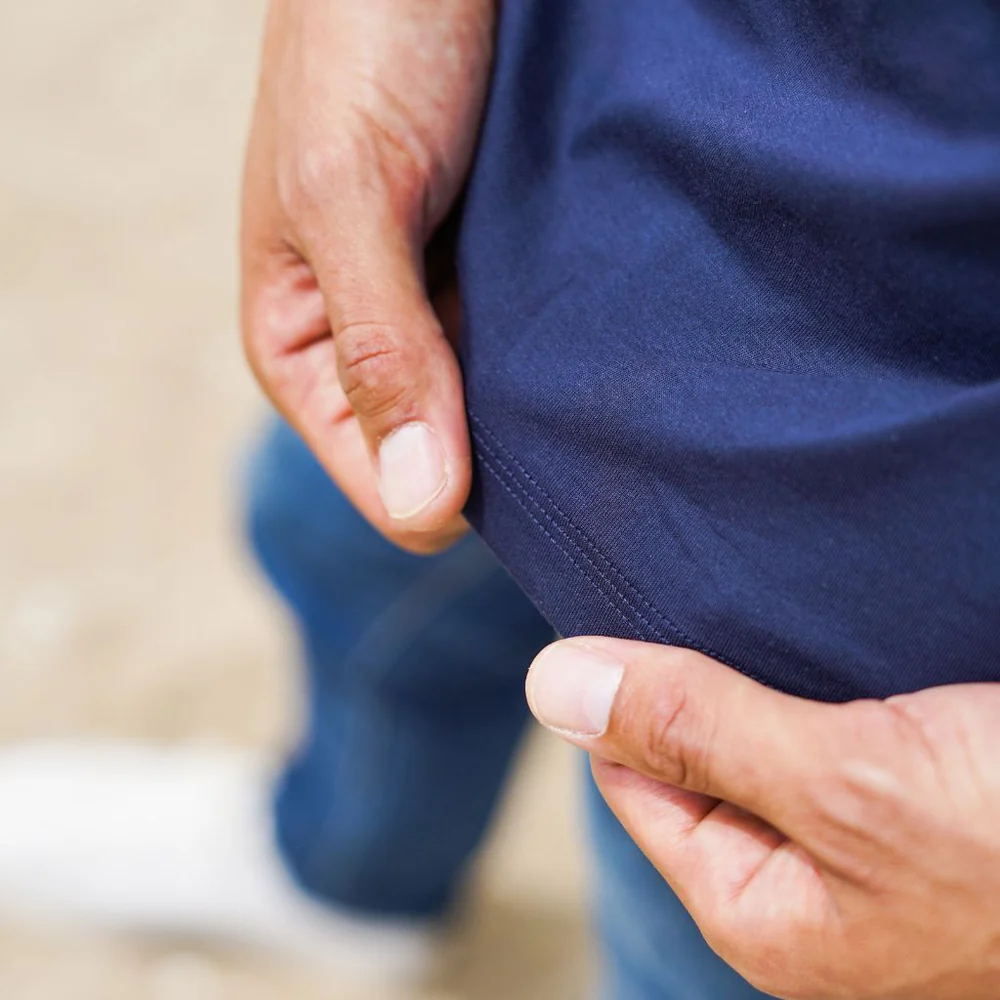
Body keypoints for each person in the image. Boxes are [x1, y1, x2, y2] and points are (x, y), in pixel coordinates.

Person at [3, 3, 998, 1000]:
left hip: (861, 639)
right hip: (519, 173)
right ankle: (347, 879)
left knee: (688, 934)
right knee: (333, 547)